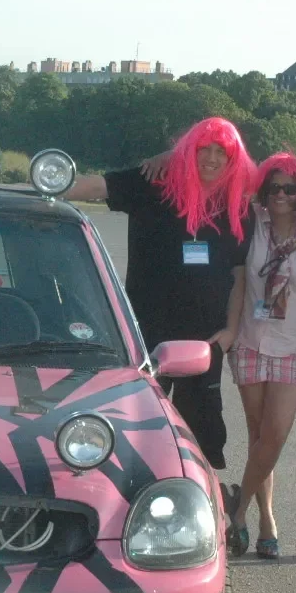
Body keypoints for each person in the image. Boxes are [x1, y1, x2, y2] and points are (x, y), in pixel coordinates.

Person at [69, 117, 255, 470]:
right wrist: (42, 187)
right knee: (133, 427)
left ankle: (204, 506)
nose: (213, 159)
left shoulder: (237, 209)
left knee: (202, 437)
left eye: (222, 153)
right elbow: (96, 187)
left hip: (203, 340)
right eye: (204, 150)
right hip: (144, 333)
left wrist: (231, 330)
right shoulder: (154, 185)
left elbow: (239, 273)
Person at [222, 152, 296, 560]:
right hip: (251, 341)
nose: (281, 195)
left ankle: (239, 506)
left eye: (290, 188)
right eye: (274, 188)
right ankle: (265, 520)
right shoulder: (250, 228)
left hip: (293, 345)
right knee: (257, 437)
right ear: (263, 192)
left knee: (276, 436)